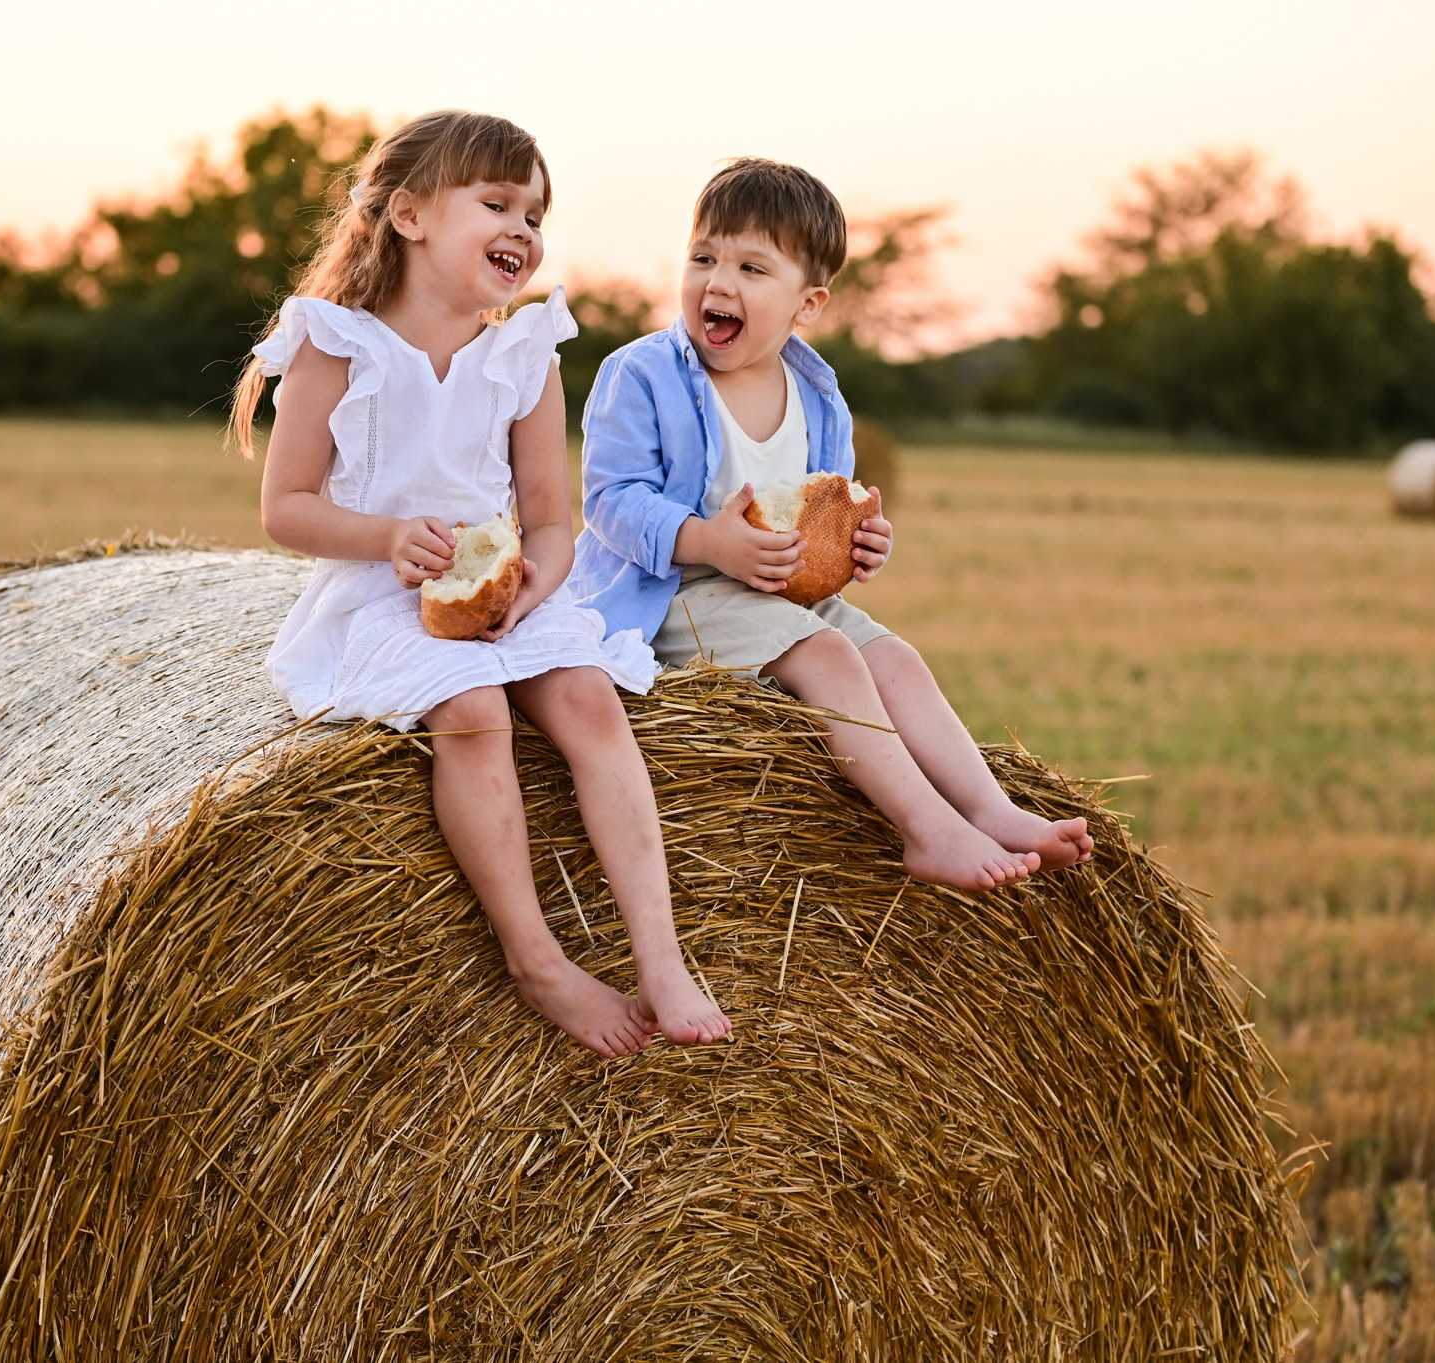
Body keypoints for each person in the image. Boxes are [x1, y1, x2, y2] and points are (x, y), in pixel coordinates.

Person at [229, 111, 729, 1057]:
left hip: (508, 595)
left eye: (536, 215)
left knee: (588, 700)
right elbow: (285, 508)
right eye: (496, 204)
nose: (524, 231)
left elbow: (550, 514)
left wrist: (535, 581)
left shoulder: (525, 355)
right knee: (473, 711)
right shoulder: (339, 346)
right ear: (409, 215)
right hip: (380, 593)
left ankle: (661, 955)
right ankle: (535, 957)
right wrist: (388, 538)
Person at [570, 158, 1094, 891]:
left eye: (752, 268)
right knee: (831, 657)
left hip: (782, 596)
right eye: (703, 257)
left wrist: (860, 546)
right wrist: (708, 539)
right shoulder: (642, 375)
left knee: (896, 658)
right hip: (671, 590)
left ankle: (990, 807)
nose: (717, 282)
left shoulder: (818, 397)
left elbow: (832, 508)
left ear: (806, 304)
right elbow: (610, 500)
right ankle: (928, 830)